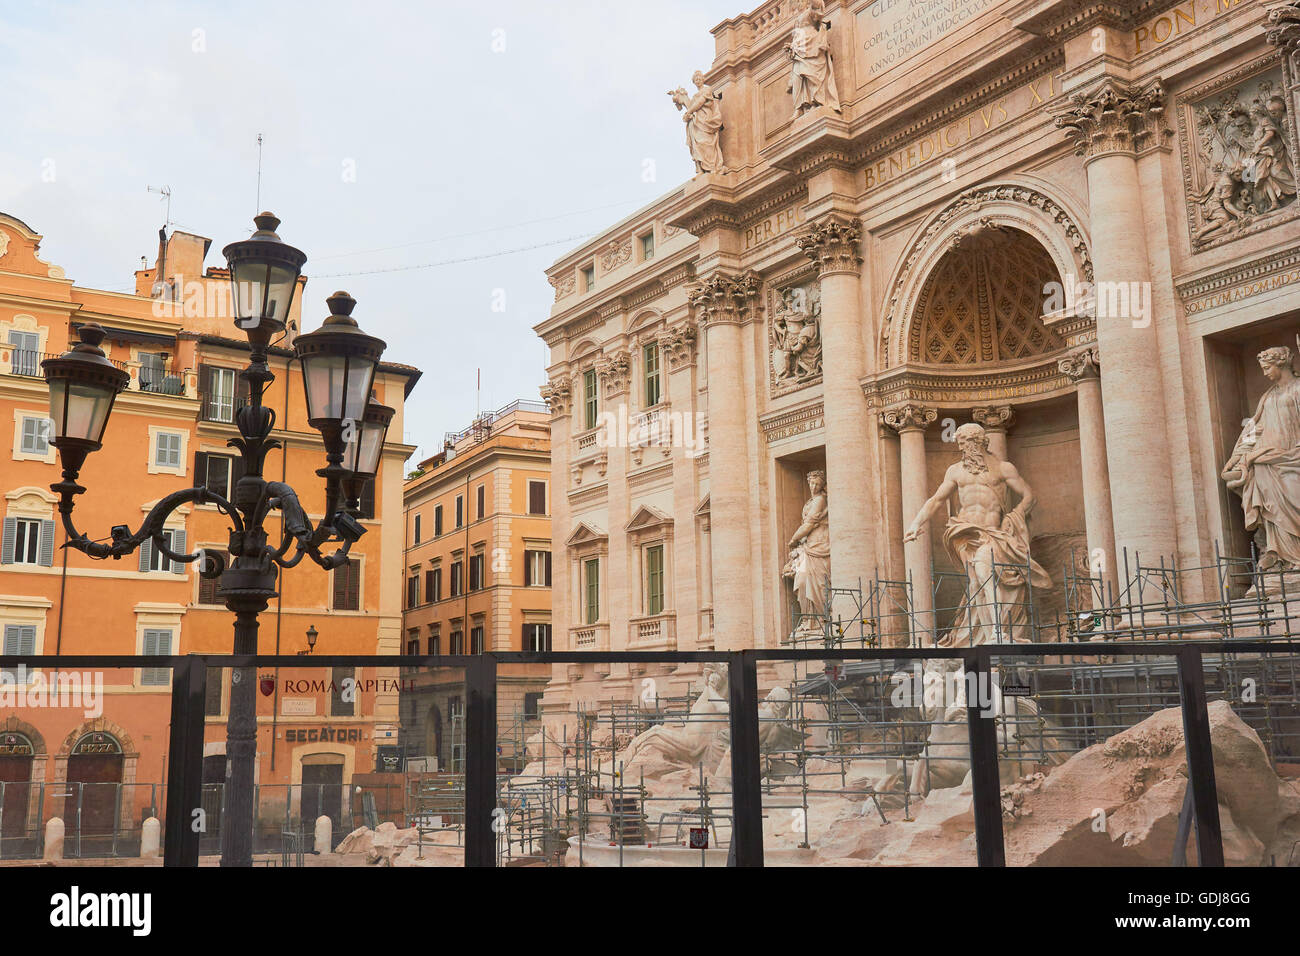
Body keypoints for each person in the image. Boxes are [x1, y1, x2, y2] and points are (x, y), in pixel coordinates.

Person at [904, 423, 1051, 645]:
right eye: (960, 445)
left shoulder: (1003, 468)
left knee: (984, 569)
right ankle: (979, 635)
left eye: (964, 444)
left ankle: (998, 631)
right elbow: (936, 500)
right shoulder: (955, 471)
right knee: (976, 585)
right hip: (965, 534)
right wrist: (916, 522)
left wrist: (1014, 518)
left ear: (976, 442)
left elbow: (1029, 496)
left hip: (993, 533)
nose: (961, 449)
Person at [1223, 346, 1300, 572]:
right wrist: (1237, 457)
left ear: (1281, 364)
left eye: (1267, 368)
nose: (1265, 373)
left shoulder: (1297, 389)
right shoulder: (1268, 396)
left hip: (1293, 455)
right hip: (1268, 459)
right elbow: (1255, 428)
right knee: (1269, 502)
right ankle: (1279, 553)